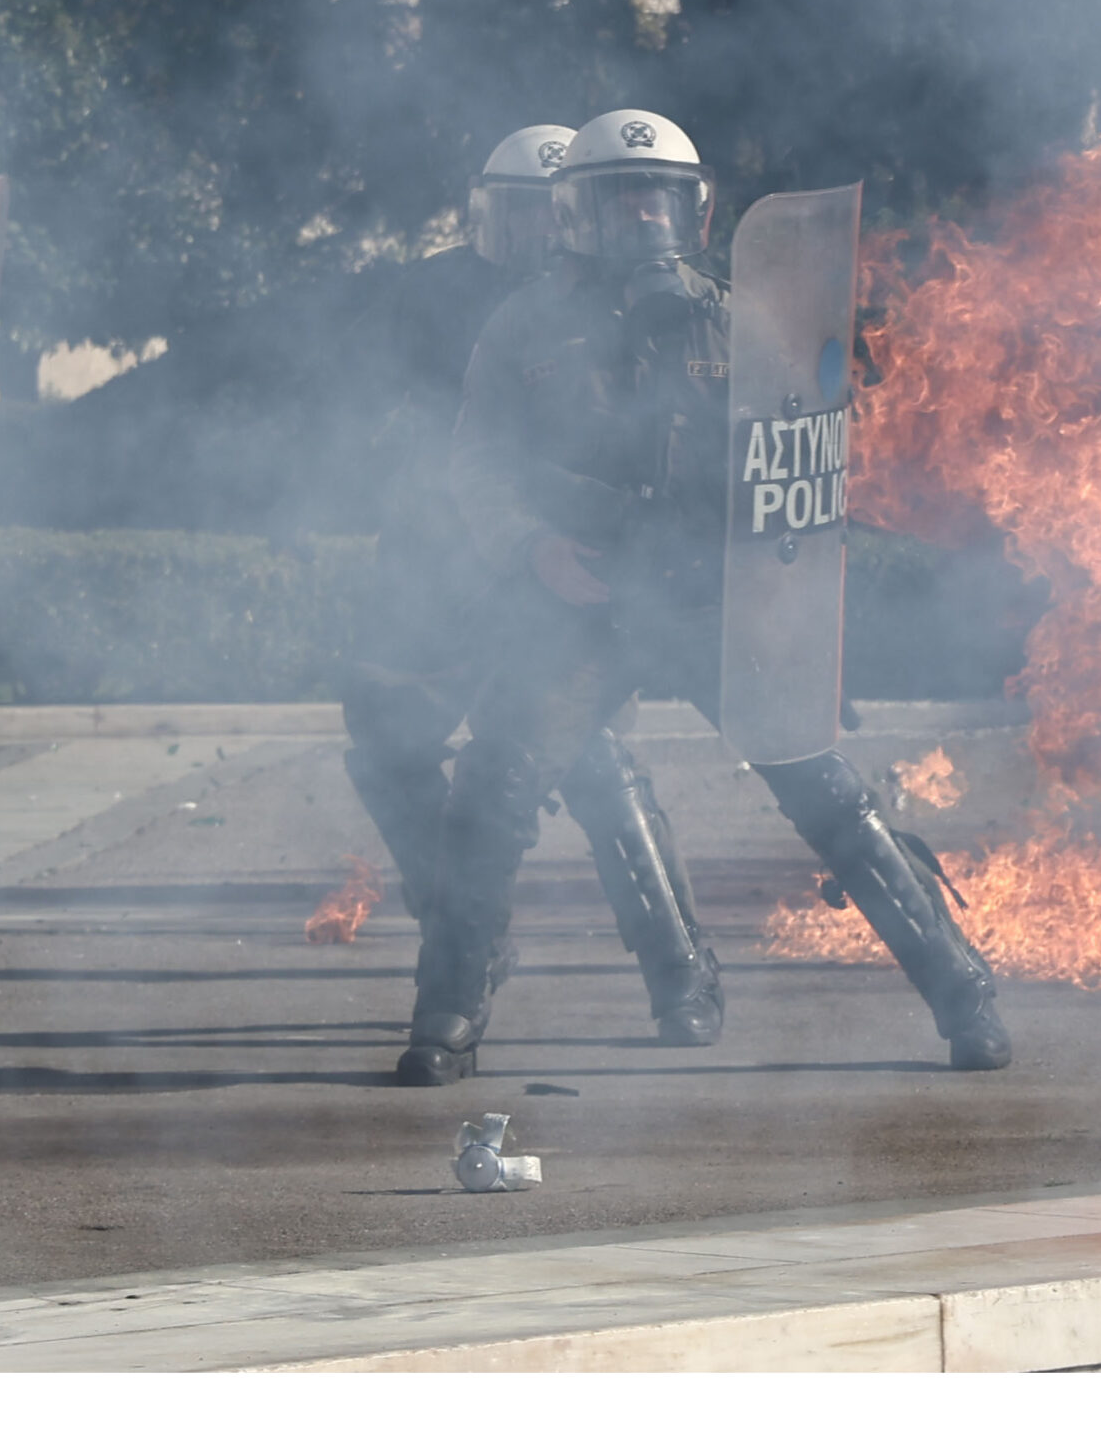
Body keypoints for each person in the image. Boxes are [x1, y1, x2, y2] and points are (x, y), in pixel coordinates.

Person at [395, 109, 1012, 1086]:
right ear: (575, 212)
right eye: (617, 197)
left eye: (658, 196)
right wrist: (536, 550)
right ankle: (448, 1014)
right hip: (580, 599)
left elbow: (799, 465)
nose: (640, 214)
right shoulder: (522, 328)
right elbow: (477, 464)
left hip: (709, 603)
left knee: (829, 796)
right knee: (490, 790)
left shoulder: (736, 316)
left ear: (694, 207)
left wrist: (786, 590)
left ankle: (964, 995)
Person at [341, 127, 724, 1065]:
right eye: (508, 211)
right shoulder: (442, 296)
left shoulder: (615, 296)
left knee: (586, 754)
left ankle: (678, 973)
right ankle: (467, 931)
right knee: (385, 741)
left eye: (537, 211)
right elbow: (406, 424)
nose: (525, 231)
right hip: (446, 562)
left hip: (562, 567)